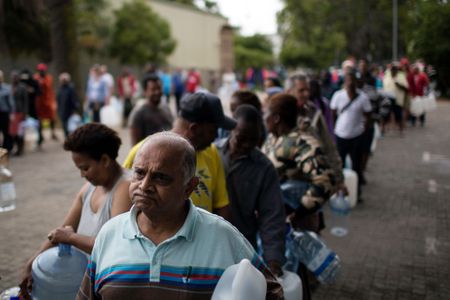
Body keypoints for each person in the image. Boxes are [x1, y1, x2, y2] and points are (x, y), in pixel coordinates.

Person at [77, 132, 283, 299]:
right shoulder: (109, 234)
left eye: (161, 178)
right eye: (139, 173)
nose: (145, 185)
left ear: (189, 187)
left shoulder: (223, 237)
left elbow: (272, 292)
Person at [20, 123, 132, 297]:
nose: (82, 175)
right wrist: (31, 265)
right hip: (82, 282)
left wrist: (71, 238)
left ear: (105, 160)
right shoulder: (89, 188)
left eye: (85, 168)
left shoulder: (125, 187)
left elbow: (112, 245)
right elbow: (62, 230)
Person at [262, 93, 335, 299]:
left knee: (295, 275)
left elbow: (324, 181)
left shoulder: (303, 142)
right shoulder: (273, 138)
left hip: (296, 224)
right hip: (274, 222)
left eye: (266, 113)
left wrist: (297, 211)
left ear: (276, 118)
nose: (263, 118)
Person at [123, 92, 235, 219]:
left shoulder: (212, 152)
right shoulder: (141, 152)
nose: (215, 136)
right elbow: (123, 203)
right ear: (194, 129)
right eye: (213, 130)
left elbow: (221, 204)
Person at [216, 105, 286, 277]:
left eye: (253, 140)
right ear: (231, 129)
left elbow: (272, 216)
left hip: (242, 247)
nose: (246, 145)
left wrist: (273, 261)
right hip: (207, 245)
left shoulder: (264, 168)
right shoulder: (211, 154)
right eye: (241, 138)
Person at [289, 74, 345, 194]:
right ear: (290, 91)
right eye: (301, 90)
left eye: (307, 90)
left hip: (312, 179)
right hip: (289, 180)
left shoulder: (314, 112)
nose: (306, 94)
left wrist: (338, 178)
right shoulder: (281, 115)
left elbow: (329, 146)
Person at [331, 71, 371, 200]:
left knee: (356, 166)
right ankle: (339, 191)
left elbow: (368, 114)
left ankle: (356, 193)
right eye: (348, 81)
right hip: (340, 135)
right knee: (339, 166)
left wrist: (363, 129)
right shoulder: (338, 95)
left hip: (356, 136)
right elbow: (333, 113)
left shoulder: (363, 97)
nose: (350, 83)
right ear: (344, 82)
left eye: (352, 81)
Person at [128, 75, 173, 146]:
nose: (157, 92)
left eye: (159, 88)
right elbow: (135, 145)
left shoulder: (166, 108)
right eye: (153, 89)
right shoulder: (138, 113)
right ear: (145, 91)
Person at [34, 63, 58, 142]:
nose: (41, 72)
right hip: (39, 102)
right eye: (40, 70)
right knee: (39, 119)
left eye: (42, 70)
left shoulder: (48, 78)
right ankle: (40, 135)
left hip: (48, 101)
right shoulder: (35, 77)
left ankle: (53, 132)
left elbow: (48, 87)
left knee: (52, 117)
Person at [382, 63, 409, 133]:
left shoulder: (401, 76)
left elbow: (406, 88)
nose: (393, 72)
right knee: (385, 114)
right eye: (392, 71)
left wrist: (398, 85)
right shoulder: (387, 75)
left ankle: (401, 130)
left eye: (395, 71)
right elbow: (383, 86)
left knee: (398, 115)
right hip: (388, 98)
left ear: (397, 71)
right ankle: (383, 130)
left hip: (398, 99)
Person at [10, 71, 28, 155]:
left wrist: (25, 113)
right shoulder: (10, 87)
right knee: (13, 132)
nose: (14, 79)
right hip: (12, 113)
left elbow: (25, 101)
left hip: (20, 112)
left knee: (20, 132)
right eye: (13, 77)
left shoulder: (22, 87)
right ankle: (16, 147)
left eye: (16, 77)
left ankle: (20, 149)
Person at [57, 72, 79, 138]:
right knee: (64, 126)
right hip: (62, 111)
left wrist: (75, 109)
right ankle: (67, 138)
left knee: (71, 127)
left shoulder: (71, 88)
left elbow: (74, 100)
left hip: (70, 111)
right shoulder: (60, 89)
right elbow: (58, 100)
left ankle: (71, 138)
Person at [0, 70, 14, 152]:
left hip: (4, 113)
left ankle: (8, 149)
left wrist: (12, 114)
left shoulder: (7, 88)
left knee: (6, 132)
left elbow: (11, 102)